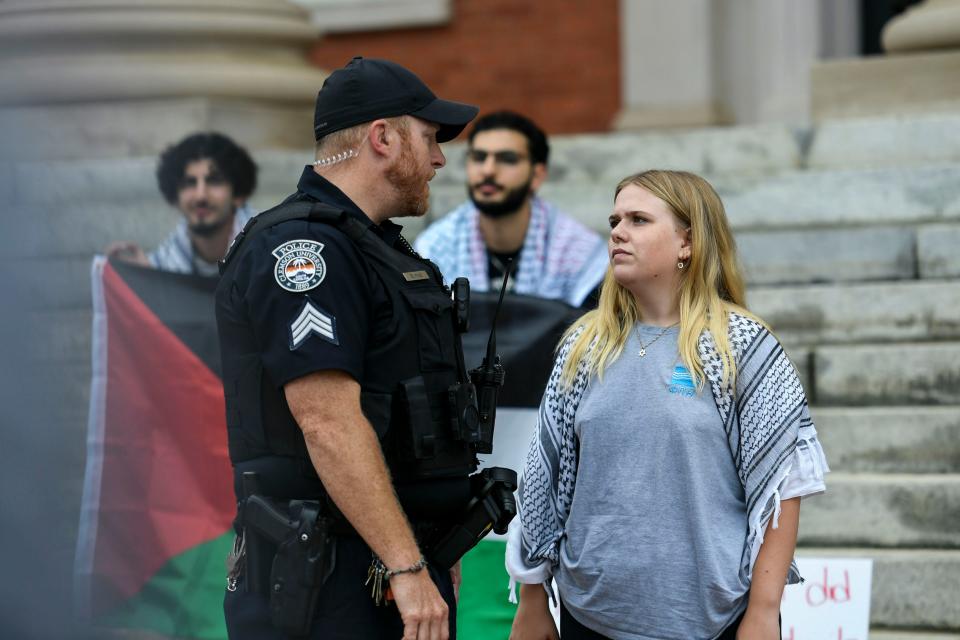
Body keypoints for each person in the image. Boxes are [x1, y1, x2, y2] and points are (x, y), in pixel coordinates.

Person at [215, 56, 516, 640]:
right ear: (382, 137)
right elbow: (327, 422)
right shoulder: (303, 249)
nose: (438, 158)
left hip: (386, 563)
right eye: (428, 138)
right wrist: (405, 566)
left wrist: (429, 550)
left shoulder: (378, 248)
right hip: (331, 578)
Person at [506, 170, 829, 640]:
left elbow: (784, 487)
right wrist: (533, 600)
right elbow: (544, 477)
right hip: (589, 617)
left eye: (639, 219)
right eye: (615, 219)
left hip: (714, 620)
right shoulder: (583, 344)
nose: (617, 231)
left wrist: (763, 611)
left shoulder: (742, 345)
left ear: (688, 243)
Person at [414, 111, 608, 308]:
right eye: (479, 157)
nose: (488, 170)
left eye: (507, 159)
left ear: (537, 175)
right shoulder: (436, 247)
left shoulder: (578, 251)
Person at [106, 132, 257, 275]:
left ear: (238, 194)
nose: (201, 196)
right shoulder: (164, 264)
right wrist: (145, 278)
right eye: (189, 183)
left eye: (214, 181)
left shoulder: (267, 251)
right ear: (175, 196)